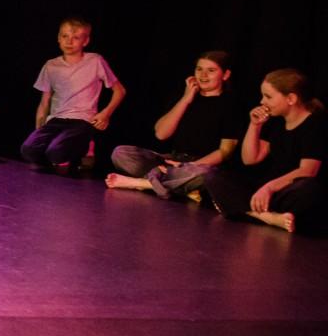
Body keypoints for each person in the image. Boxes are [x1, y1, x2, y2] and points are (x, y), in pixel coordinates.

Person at [106, 50, 246, 199]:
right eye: (199, 69)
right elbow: (161, 134)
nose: (203, 75)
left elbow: (225, 151)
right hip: (172, 161)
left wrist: (188, 166)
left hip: (201, 164)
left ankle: (144, 183)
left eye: (211, 70)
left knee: (206, 175)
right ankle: (175, 186)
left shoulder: (231, 105)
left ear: (225, 75)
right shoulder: (184, 96)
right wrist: (186, 99)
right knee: (121, 153)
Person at [203, 69, 322, 232]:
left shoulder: (315, 125)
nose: (262, 101)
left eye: (268, 96)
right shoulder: (277, 121)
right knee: (213, 177)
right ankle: (267, 217)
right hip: (266, 192)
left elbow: (308, 171)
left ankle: (250, 213)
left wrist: (269, 188)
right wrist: (255, 125)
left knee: (309, 188)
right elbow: (250, 159)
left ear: (291, 99)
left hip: (287, 191)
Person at [20, 17, 126, 174]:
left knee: (55, 153)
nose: (69, 42)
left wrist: (105, 113)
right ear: (58, 38)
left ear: (85, 41)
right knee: (28, 150)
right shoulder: (51, 65)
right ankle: (60, 153)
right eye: (65, 36)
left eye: (76, 38)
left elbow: (120, 90)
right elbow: (45, 101)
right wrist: (39, 130)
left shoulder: (95, 61)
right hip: (56, 119)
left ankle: (85, 147)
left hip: (82, 120)